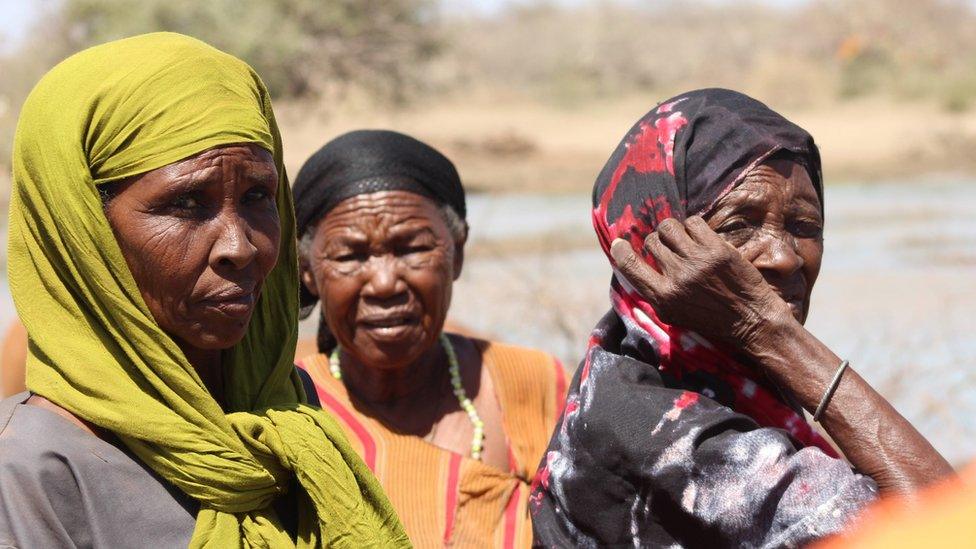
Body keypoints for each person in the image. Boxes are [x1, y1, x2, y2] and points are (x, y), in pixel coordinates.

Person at [0, 33, 408, 547]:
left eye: (259, 195)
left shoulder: (284, 417)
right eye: (189, 203)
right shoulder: (29, 475)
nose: (240, 247)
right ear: (83, 230)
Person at [529, 88, 953, 547]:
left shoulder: (698, 375)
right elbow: (942, 529)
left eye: (804, 226)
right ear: (652, 244)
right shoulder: (657, 426)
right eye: (738, 225)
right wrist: (770, 333)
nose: (784, 257)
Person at [292, 129, 568, 547]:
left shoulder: (531, 384)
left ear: (456, 252)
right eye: (351, 256)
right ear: (308, 271)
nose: (384, 283)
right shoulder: (288, 412)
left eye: (412, 249)